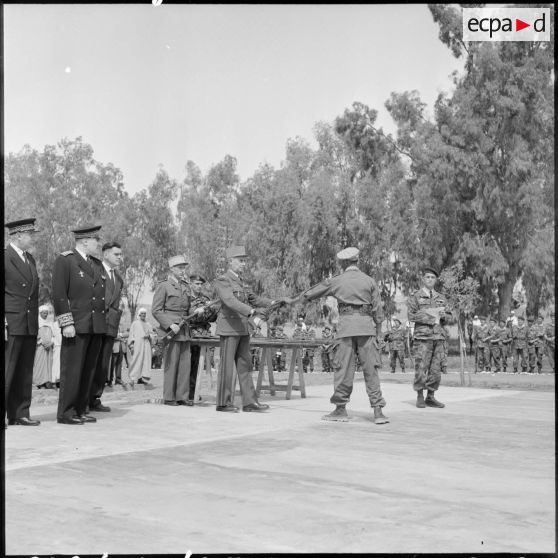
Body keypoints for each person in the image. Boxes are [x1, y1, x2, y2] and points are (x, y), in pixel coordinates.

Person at [298, 247, 388, 424]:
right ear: (357, 261)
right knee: (371, 370)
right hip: (366, 328)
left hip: (346, 328)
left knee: (343, 369)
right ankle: (378, 411)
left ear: (344, 262)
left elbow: (313, 293)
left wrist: (300, 298)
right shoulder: (369, 281)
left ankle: (340, 409)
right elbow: (378, 310)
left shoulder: (337, 280)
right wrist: (378, 333)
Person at [212, 245, 287, 413]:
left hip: (243, 329)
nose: (244, 264)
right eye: (241, 261)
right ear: (230, 261)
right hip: (229, 328)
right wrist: (251, 312)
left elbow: (255, 299)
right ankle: (223, 403)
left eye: (245, 261)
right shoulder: (223, 280)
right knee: (226, 368)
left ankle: (249, 402)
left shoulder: (242, 282)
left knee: (245, 366)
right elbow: (230, 301)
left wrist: (274, 302)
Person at [52, 225, 107, 425]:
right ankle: (66, 412)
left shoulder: (97, 264)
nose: (99, 245)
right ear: (84, 241)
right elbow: (59, 294)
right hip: (75, 325)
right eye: (96, 241)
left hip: (94, 325)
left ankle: (81, 409)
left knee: (88, 370)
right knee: (72, 370)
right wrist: (66, 322)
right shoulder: (66, 260)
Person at [5, 218, 42, 427]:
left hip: (28, 322)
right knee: (8, 370)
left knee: (24, 371)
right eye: (30, 234)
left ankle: (20, 413)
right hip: (11, 321)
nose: (32, 238)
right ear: (18, 235)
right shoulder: (5, 256)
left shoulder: (30, 259)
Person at [152, 255, 196, 406]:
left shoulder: (186, 286)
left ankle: (182, 396)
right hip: (171, 331)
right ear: (171, 269)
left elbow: (188, 308)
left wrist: (198, 310)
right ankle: (170, 397)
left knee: (185, 364)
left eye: (184, 268)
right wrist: (170, 325)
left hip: (184, 329)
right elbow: (156, 310)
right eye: (179, 268)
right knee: (172, 364)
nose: (183, 270)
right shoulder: (164, 286)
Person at [407, 266, 452, 409]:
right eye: (427, 277)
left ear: (436, 280)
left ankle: (431, 396)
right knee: (421, 368)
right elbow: (411, 315)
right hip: (423, 338)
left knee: (436, 370)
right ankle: (420, 396)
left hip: (438, 338)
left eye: (433, 278)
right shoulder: (415, 296)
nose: (430, 280)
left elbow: (451, 317)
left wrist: (445, 316)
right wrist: (430, 316)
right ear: (423, 279)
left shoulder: (442, 298)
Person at [88, 242, 124, 412]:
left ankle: (95, 398)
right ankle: (83, 399)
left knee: (103, 365)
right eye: (116, 254)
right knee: (91, 362)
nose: (119, 258)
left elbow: (115, 303)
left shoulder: (118, 278)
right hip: (95, 323)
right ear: (106, 254)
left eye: (120, 254)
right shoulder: (94, 270)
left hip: (110, 326)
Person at [188, 273, 219, 404]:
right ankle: (183, 391)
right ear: (191, 284)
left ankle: (192, 392)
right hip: (189, 333)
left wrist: (209, 309)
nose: (199, 286)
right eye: (197, 284)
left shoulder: (206, 299)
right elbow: (188, 315)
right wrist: (197, 312)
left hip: (202, 334)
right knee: (186, 364)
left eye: (201, 284)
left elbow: (212, 318)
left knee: (196, 364)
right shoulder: (186, 298)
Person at [127, 308, 157, 386]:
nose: (143, 315)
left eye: (144, 313)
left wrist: (149, 336)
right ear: (139, 314)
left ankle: (142, 379)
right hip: (137, 345)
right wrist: (131, 345)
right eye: (142, 313)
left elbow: (153, 335)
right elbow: (131, 335)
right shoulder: (135, 323)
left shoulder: (148, 324)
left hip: (146, 345)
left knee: (145, 362)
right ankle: (132, 379)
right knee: (136, 361)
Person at [33, 305, 55, 389]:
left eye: (47, 313)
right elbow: (36, 335)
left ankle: (47, 382)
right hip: (40, 347)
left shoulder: (50, 323)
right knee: (40, 364)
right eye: (44, 313)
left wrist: (51, 343)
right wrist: (42, 343)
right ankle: (39, 383)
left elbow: (54, 335)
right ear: (40, 313)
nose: (46, 315)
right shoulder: (37, 323)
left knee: (49, 364)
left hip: (49, 347)